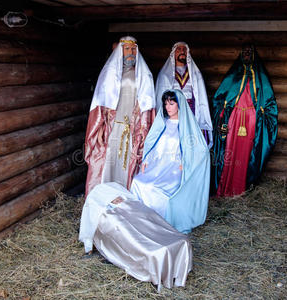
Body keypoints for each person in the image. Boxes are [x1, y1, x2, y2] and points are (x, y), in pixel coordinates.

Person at [78, 90, 209, 290]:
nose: (167, 107)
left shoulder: (187, 127)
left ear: (179, 105)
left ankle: (161, 223)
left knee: (158, 189)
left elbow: (199, 151)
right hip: (158, 165)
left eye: (171, 104)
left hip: (175, 170)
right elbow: (154, 146)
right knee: (140, 182)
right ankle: (142, 220)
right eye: (166, 104)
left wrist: (186, 163)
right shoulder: (163, 124)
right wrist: (147, 160)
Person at [84, 36, 155, 196]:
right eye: (127, 49)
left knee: (127, 163)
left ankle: (125, 198)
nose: (131, 52)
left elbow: (146, 105)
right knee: (108, 162)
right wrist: (101, 127)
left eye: (133, 49)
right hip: (113, 127)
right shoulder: (110, 73)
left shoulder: (143, 75)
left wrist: (140, 129)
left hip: (132, 128)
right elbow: (102, 103)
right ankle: (105, 198)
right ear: (120, 51)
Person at [212, 44, 278, 197]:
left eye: (250, 52)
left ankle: (241, 189)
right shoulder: (233, 75)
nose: (247, 55)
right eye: (245, 52)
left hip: (251, 121)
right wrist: (223, 115)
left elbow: (269, 103)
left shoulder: (262, 78)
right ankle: (225, 187)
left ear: (254, 55)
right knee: (229, 150)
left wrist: (261, 116)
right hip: (234, 121)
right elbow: (220, 98)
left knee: (246, 153)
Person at [155, 42, 213, 148]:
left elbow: (201, 98)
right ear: (173, 54)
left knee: (190, 143)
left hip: (191, 112)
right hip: (173, 113)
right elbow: (161, 99)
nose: (182, 51)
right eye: (179, 49)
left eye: (184, 49)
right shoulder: (165, 75)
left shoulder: (195, 74)